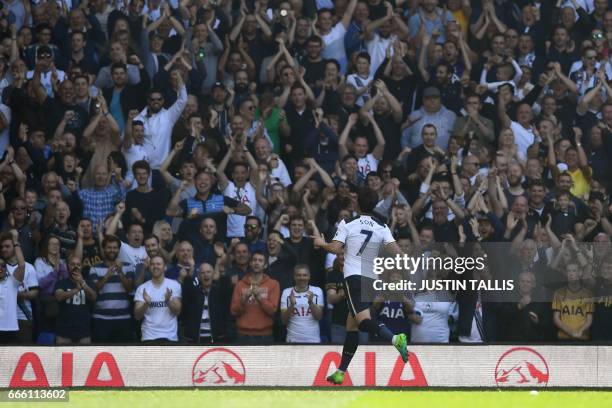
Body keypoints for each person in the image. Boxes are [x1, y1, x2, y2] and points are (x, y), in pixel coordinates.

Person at [314, 187, 408, 385]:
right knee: (352, 325)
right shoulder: (382, 226)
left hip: (354, 277)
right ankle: (341, 371)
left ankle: (395, 339)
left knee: (363, 321)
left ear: (357, 204)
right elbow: (399, 254)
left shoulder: (348, 223)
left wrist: (321, 242)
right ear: (374, 205)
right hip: (372, 279)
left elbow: (334, 248)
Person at [90, 235, 135, 343]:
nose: (112, 250)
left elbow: (129, 288)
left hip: (123, 319)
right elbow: (94, 291)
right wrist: (107, 275)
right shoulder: (95, 268)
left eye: (115, 248)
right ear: (104, 249)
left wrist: (119, 271)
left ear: (118, 250)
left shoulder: (128, 266)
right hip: (101, 319)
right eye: (109, 247)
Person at [230, 251, 280, 344]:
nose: (257, 263)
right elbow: (233, 311)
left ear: (265, 265)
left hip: (265, 335)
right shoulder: (240, 284)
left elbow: (272, 311)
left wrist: (259, 298)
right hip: (243, 335)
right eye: (254, 260)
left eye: (260, 261)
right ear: (250, 263)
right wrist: (244, 299)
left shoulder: (274, 284)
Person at [134, 255, 182, 343]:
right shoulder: (142, 288)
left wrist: (168, 301)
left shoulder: (174, 285)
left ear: (165, 267)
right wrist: (146, 304)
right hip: (149, 336)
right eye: (152, 264)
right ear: (149, 268)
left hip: (170, 337)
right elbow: (137, 316)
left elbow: (177, 311)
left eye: (158, 264)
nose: (155, 266)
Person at [181, 262, 228, 343]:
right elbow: (186, 293)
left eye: (208, 272)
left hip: (216, 340)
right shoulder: (193, 293)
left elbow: (227, 287)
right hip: (196, 340)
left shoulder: (219, 292)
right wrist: (189, 275)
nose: (206, 275)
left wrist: (221, 274)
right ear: (198, 276)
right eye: (202, 273)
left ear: (213, 274)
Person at [54, 256, 97, 344]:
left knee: (84, 357)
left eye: (78, 264)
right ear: (67, 266)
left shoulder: (89, 283)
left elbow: (93, 297)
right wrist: (77, 289)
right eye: (72, 264)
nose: (75, 267)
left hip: (83, 331)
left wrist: (83, 283)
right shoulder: (61, 283)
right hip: (64, 332)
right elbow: (59, 296)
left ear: (82, 267)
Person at [280, 264, 324, 343]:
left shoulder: (317, 291)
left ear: (309, 276)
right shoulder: (286, 292)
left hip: (313, 340)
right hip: (292, 341)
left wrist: (311, 303)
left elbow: (319, 317)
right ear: (294, 276)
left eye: (305, 275)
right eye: (299, 275)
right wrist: (292, 305)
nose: (302, 278)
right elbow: (284, 321)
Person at [0, 230, 25, 343]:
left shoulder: (12, 282)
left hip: (11, 329)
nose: (0, 268)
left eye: (3, 266)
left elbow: (22, 265)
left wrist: (15, 242)